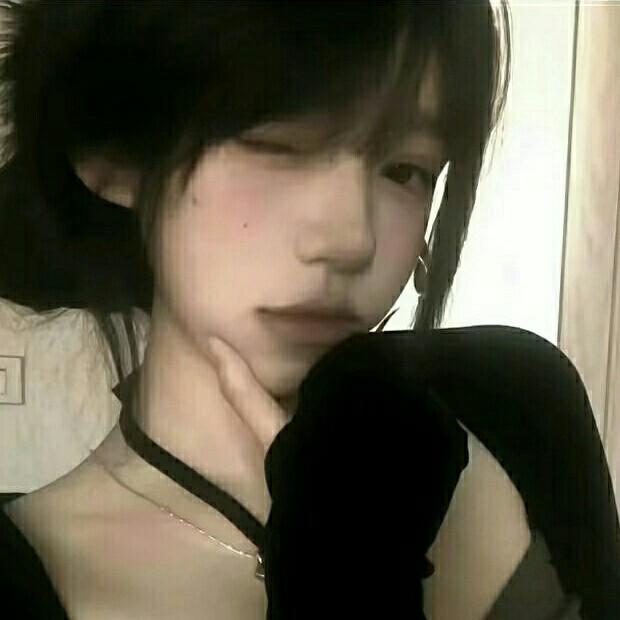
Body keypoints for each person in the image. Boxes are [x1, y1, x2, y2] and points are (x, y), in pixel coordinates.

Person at [0, 1, 617, 619]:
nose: (352, 239)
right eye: (276, 144)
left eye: (405, 170)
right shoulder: (31, 574)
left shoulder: (508, 416)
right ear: (117, 158)